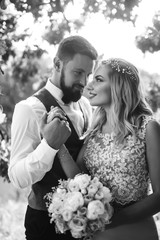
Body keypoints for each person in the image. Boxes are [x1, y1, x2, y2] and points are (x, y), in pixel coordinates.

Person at [58, 58, 160, 240]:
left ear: (118, 86)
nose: (88, 85)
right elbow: (79, 178)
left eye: (98, 79)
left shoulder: (148, 128)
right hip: (97, 233)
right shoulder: (94, 131)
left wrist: (110, 220)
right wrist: (57, 145)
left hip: (135, 231)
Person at [8, 35, 98, 240]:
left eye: (88, 74)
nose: (84, 82)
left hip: (86, 222)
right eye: (78, 73)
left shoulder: (85, 105)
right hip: (44, 225)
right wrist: (49, 146)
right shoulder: (29, 109)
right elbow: (17, 177)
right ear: (57, 64)